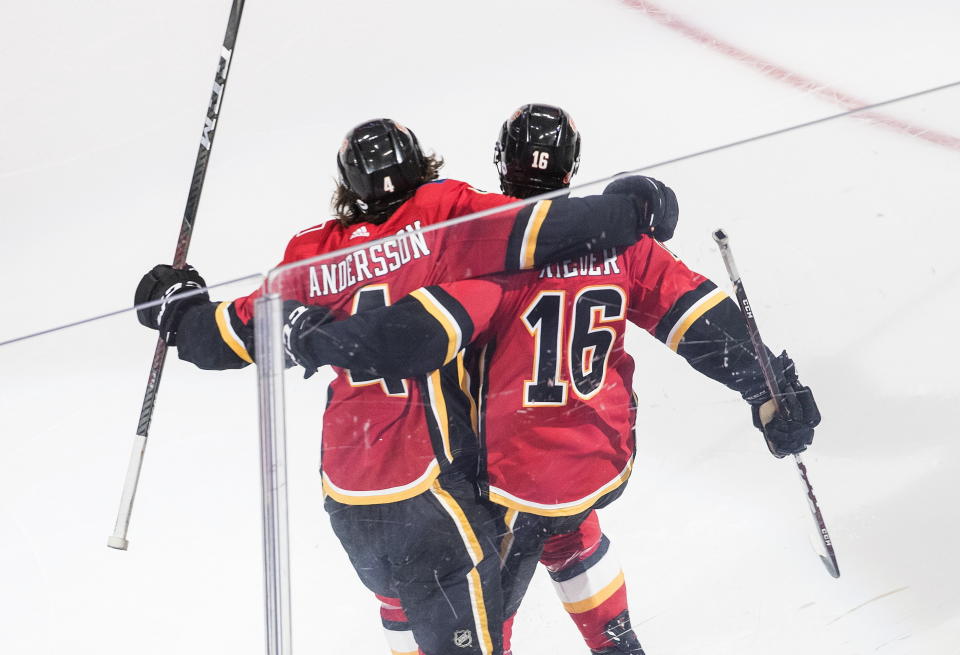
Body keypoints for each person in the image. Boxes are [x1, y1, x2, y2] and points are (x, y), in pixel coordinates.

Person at [134, 117, 679, 655]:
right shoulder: (444, 217)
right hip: (430, 487)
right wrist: (637, 206)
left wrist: (179, 310)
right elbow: (551, 228)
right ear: (425, 170)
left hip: (347, 493)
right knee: (524, 563)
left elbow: (227, 338)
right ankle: (618, 646)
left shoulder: (311, 254)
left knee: (401, 603)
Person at [279, 123, 821, 655]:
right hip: (593, 458)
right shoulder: (621, 243)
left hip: (504, 472)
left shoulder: (481, 243)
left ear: (499, 162)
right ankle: (618, 645)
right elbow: (701, 322)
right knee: (570, 524)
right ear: (573, 166)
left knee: (477, 603)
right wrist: (772, 386)